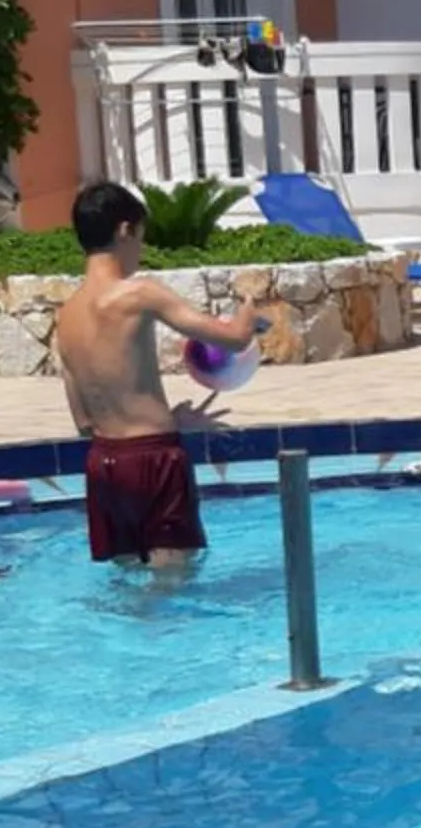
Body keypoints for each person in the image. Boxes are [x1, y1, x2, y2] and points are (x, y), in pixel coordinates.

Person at [53, 180, 265, 569]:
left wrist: (168, 419)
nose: (140, 250)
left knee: (127, 581)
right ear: (124, 230)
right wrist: (250, 311)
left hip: (103, 464)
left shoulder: (66, 316)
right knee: (173, 581)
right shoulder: (139, 293)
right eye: (140, 238)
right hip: (154, 460)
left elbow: (84, 423)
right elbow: (235, 340)